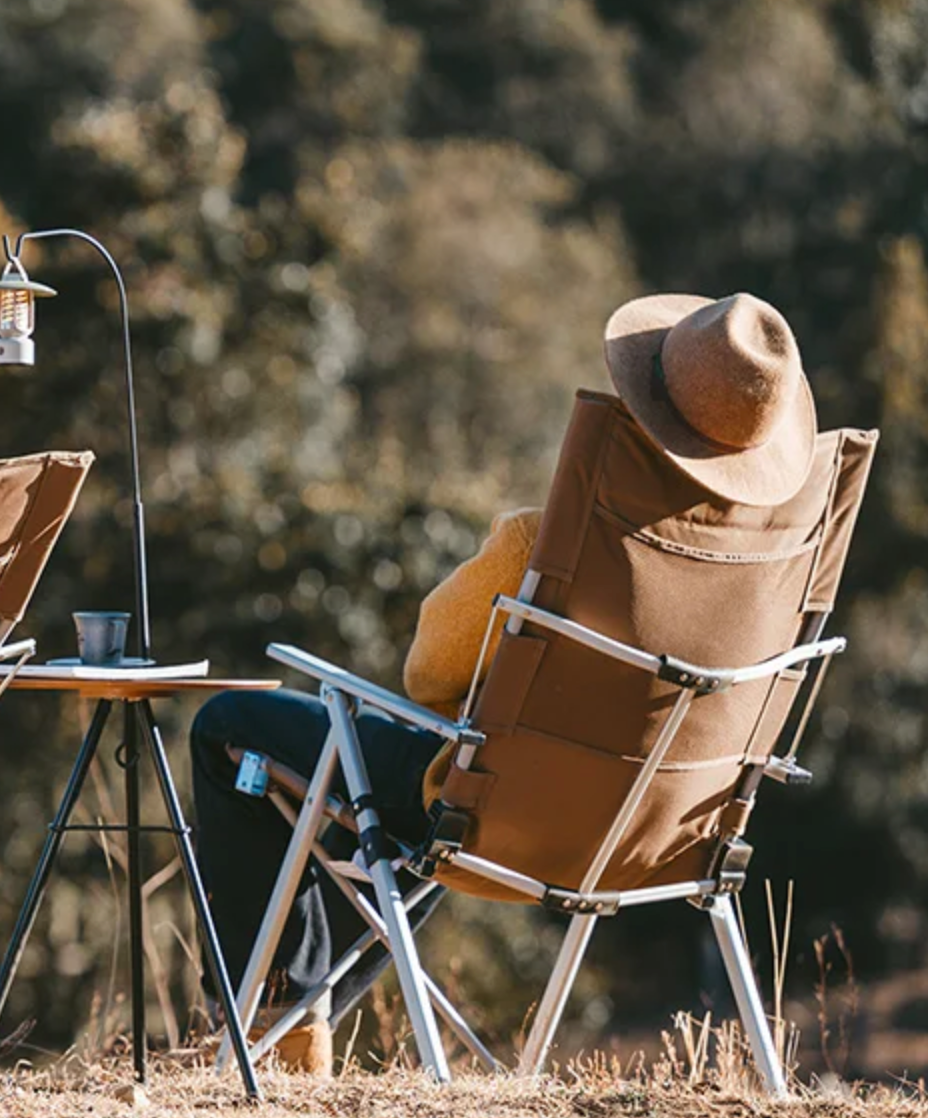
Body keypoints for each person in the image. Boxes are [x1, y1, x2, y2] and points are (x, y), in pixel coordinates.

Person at [191, 291, 819, 1075]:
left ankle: (279, 1014)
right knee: (415, 793)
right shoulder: (778, 579)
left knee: (229, 727)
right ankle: (294, 1018)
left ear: (645, 398)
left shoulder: (548, 547)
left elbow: (427, 674)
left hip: (505, 824)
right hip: (668, 839)